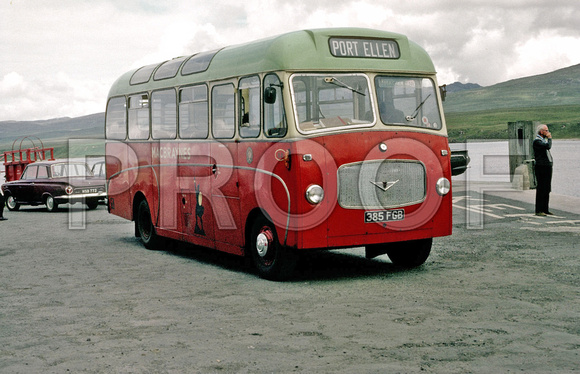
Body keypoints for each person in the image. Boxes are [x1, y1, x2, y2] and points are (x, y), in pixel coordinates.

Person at [533, 124, 553, 216]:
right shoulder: (537, 141)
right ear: (541, 131)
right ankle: (539, 210)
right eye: (546, 130)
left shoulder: (542, 141)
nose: (548, 132)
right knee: (541, 188)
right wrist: (549, 139)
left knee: (547, 188)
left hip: (547, 166)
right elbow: (548, 146)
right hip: (541, 167)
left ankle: (545, 208)